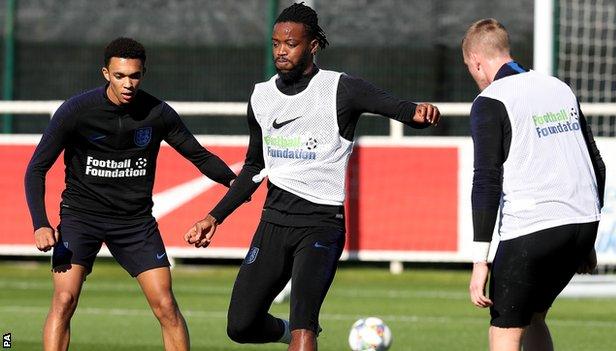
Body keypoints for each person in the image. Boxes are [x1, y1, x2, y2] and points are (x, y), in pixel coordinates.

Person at [184, 3, 440, 350]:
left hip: (321, 224)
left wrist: (420, 113)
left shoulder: (341, 89)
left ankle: (304, 333)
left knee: (306, 324)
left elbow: (401, 109)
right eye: (275, 43)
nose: (280, 51)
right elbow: (254, 167)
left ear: (313, 46)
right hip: (273, 223)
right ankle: (294, 333)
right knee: (241, 325)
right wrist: (214, 217)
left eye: (290, 43)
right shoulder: (261, 96)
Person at [24, 37, 237, 351]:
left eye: (134, 76)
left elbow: (198, 155)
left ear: (144, 73)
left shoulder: (158, 113)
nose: (128, 83)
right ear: (106, 73)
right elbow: (36, 168)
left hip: (135, 224)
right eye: (120, 75)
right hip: (80, 218)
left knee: (166, 305)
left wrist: (235, 183)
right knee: (64, 299)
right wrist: (40, 223)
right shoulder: (76, 111)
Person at [462, 19, 606, 351]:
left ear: (477, 61)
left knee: (506, 331)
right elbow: (595, 162)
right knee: (535, 315)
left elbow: (485, 181)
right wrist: (587, 239)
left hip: (532, 230)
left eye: (471, 68)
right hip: (582, 223)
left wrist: (480, 261)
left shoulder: (491, 100)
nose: (475, 76)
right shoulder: (558, 87)